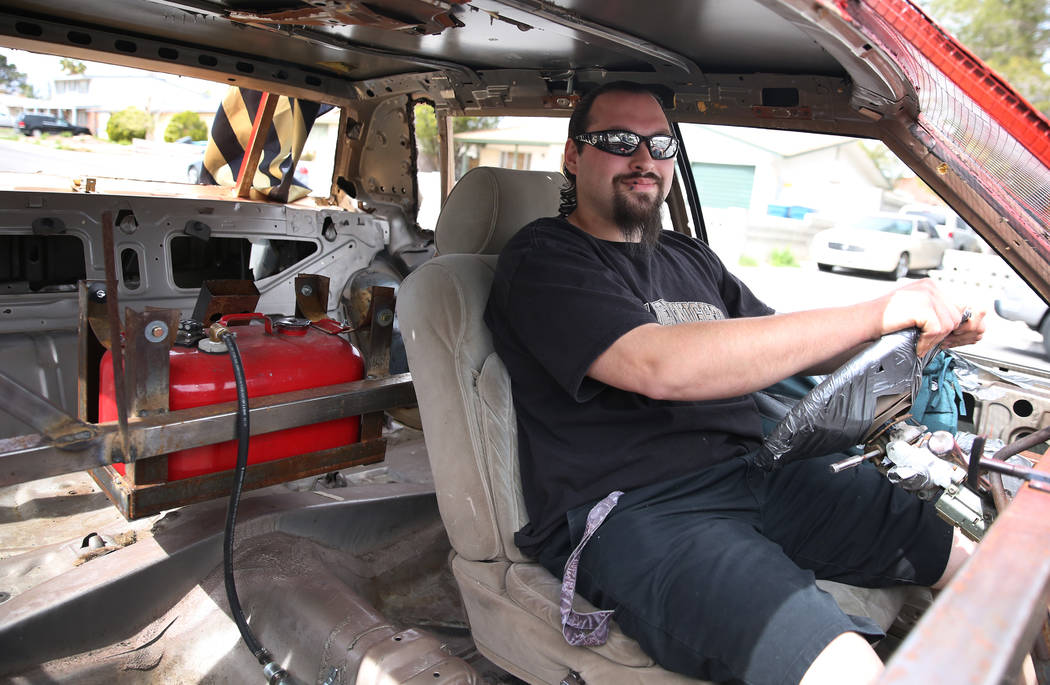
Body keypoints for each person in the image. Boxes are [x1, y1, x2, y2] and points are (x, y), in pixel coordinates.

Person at [484, 81, 987, 685]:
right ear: (573, 154)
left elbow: (789, 348)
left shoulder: (688, 256)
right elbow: (657, 366)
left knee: (976, 564)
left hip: (757, 473)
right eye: (618, 141)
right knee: (845, 667)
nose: (644, 159)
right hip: (641, 509)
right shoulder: (543, 259)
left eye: (660, 143)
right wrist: (877, 310)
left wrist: (916, 333)